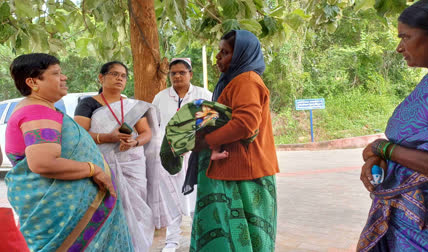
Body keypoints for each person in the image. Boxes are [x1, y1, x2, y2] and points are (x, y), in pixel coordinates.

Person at [5, 53, 133, 251]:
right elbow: (43, 163)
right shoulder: (36, 112)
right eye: (56, 73)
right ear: (32, 82)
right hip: (61, 216)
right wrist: (94, 169)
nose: (64, 77)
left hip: (70, 212)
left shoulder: (42, 109)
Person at [358, 1, 428, 251]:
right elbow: (415, 145)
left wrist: (383, 149)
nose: (399, 48)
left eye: (406, 37)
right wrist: (379, 157)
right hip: (409, 222)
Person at [191, 30, 279, 251]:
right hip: (234, 168)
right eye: (219, 51)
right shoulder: (232, 81)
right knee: (235, 235)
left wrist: (209, 140)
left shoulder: (246, 81)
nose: (219, 57)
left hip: (245, 172)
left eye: (226, 52)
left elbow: (246, 123)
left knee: (245, 236)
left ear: (242, 54)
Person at [74, 61, 163, 251]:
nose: (119, 79)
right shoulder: (88, 104)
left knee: (138, 211)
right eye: (114, 74)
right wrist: (107, 137)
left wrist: (134, 142)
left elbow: (146, 133)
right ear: (101, 77)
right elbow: (79, 134)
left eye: (123, 76)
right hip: (103, 166)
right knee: (107, 209)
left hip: (132, 165)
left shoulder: (132, 105)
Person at [152, 58, 212, 251]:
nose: (177, 76)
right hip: (170, 158)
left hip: (197, 155)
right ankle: (171, 242)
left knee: (197, 197)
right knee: (171, 199)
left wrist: (193, 143)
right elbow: (155, 126)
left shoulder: (203, 95)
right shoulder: (161, 97)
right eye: (173, 73)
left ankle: (200, 238)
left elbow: (211, 123)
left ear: (190, 74)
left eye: (182, 72)